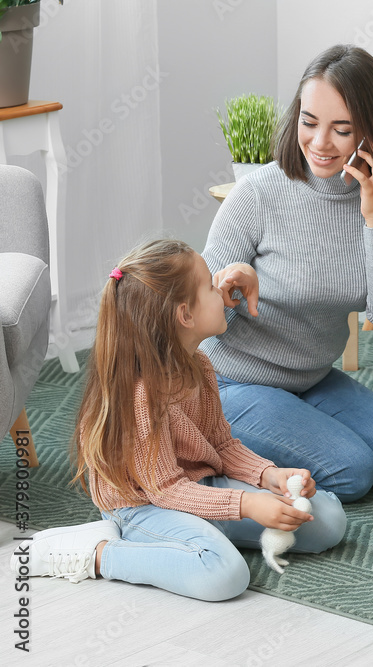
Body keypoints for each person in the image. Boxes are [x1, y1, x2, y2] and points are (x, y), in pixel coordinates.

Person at [11, 240, 346, 601]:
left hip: (200, 485)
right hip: (145, 505)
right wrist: (247, 505)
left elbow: (221, 444)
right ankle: (98, 553)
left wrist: (269, 476)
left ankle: (203, 532)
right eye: (209, 287)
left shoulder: (199, 364)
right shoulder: (141, 393)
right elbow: (166, 489)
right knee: (223, 575)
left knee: (327, 520)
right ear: (185, 315)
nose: (221, 290)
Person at [201, 44, 373, 503]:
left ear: (372, 132)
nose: (320, 143)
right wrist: (228, 294)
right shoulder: (258, 195)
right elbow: (192, 318)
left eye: (342, 130)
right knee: (353, 472)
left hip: (310, 376)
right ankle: (210, 472)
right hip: (228, 379)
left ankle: (281, 431)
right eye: (309, 122)